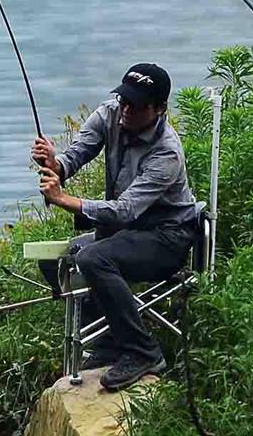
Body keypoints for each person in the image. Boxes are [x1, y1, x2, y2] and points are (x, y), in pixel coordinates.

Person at [30, 63, 201, 391]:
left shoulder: (166, 152)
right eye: (123, 99)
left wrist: (63, 199)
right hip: (126, 233)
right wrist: (55, 164)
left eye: (136, 106)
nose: (125, 109)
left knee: (95, 259)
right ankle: (110, 341)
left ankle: (143, 351)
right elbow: (77, 154)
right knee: (55, 261)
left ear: (159, 109)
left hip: (166, 237)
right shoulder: (110, 114)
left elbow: (124, 211)